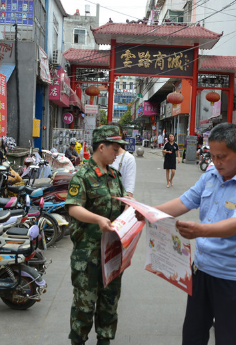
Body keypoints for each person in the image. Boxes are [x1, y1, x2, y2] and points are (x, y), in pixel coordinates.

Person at [151, 123, 236, 344]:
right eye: (213, 156)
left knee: (228, 337)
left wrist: (199, 231)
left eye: (222, 156)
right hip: (201, 269)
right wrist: (151, 213)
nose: (216, 162)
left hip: (233, 276)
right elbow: (185, 201)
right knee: (193, 334)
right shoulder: (211, 175)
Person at [65, 125, 130, 345]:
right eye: (115, 148)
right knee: (84, 306)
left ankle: (105, 340)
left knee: (109, 305)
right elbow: (73, 207)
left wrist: (133, 210)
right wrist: (98, 219)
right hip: (88, 254)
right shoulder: (83, 175)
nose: (117, 153)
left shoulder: (114, 176)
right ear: (101, 147)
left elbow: (120, 205)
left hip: (111, 253)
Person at [108, 122, 137, 197]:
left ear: (120, 136)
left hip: (119, 204)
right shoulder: (102, 155)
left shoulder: (128, 159)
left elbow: (129, 191)